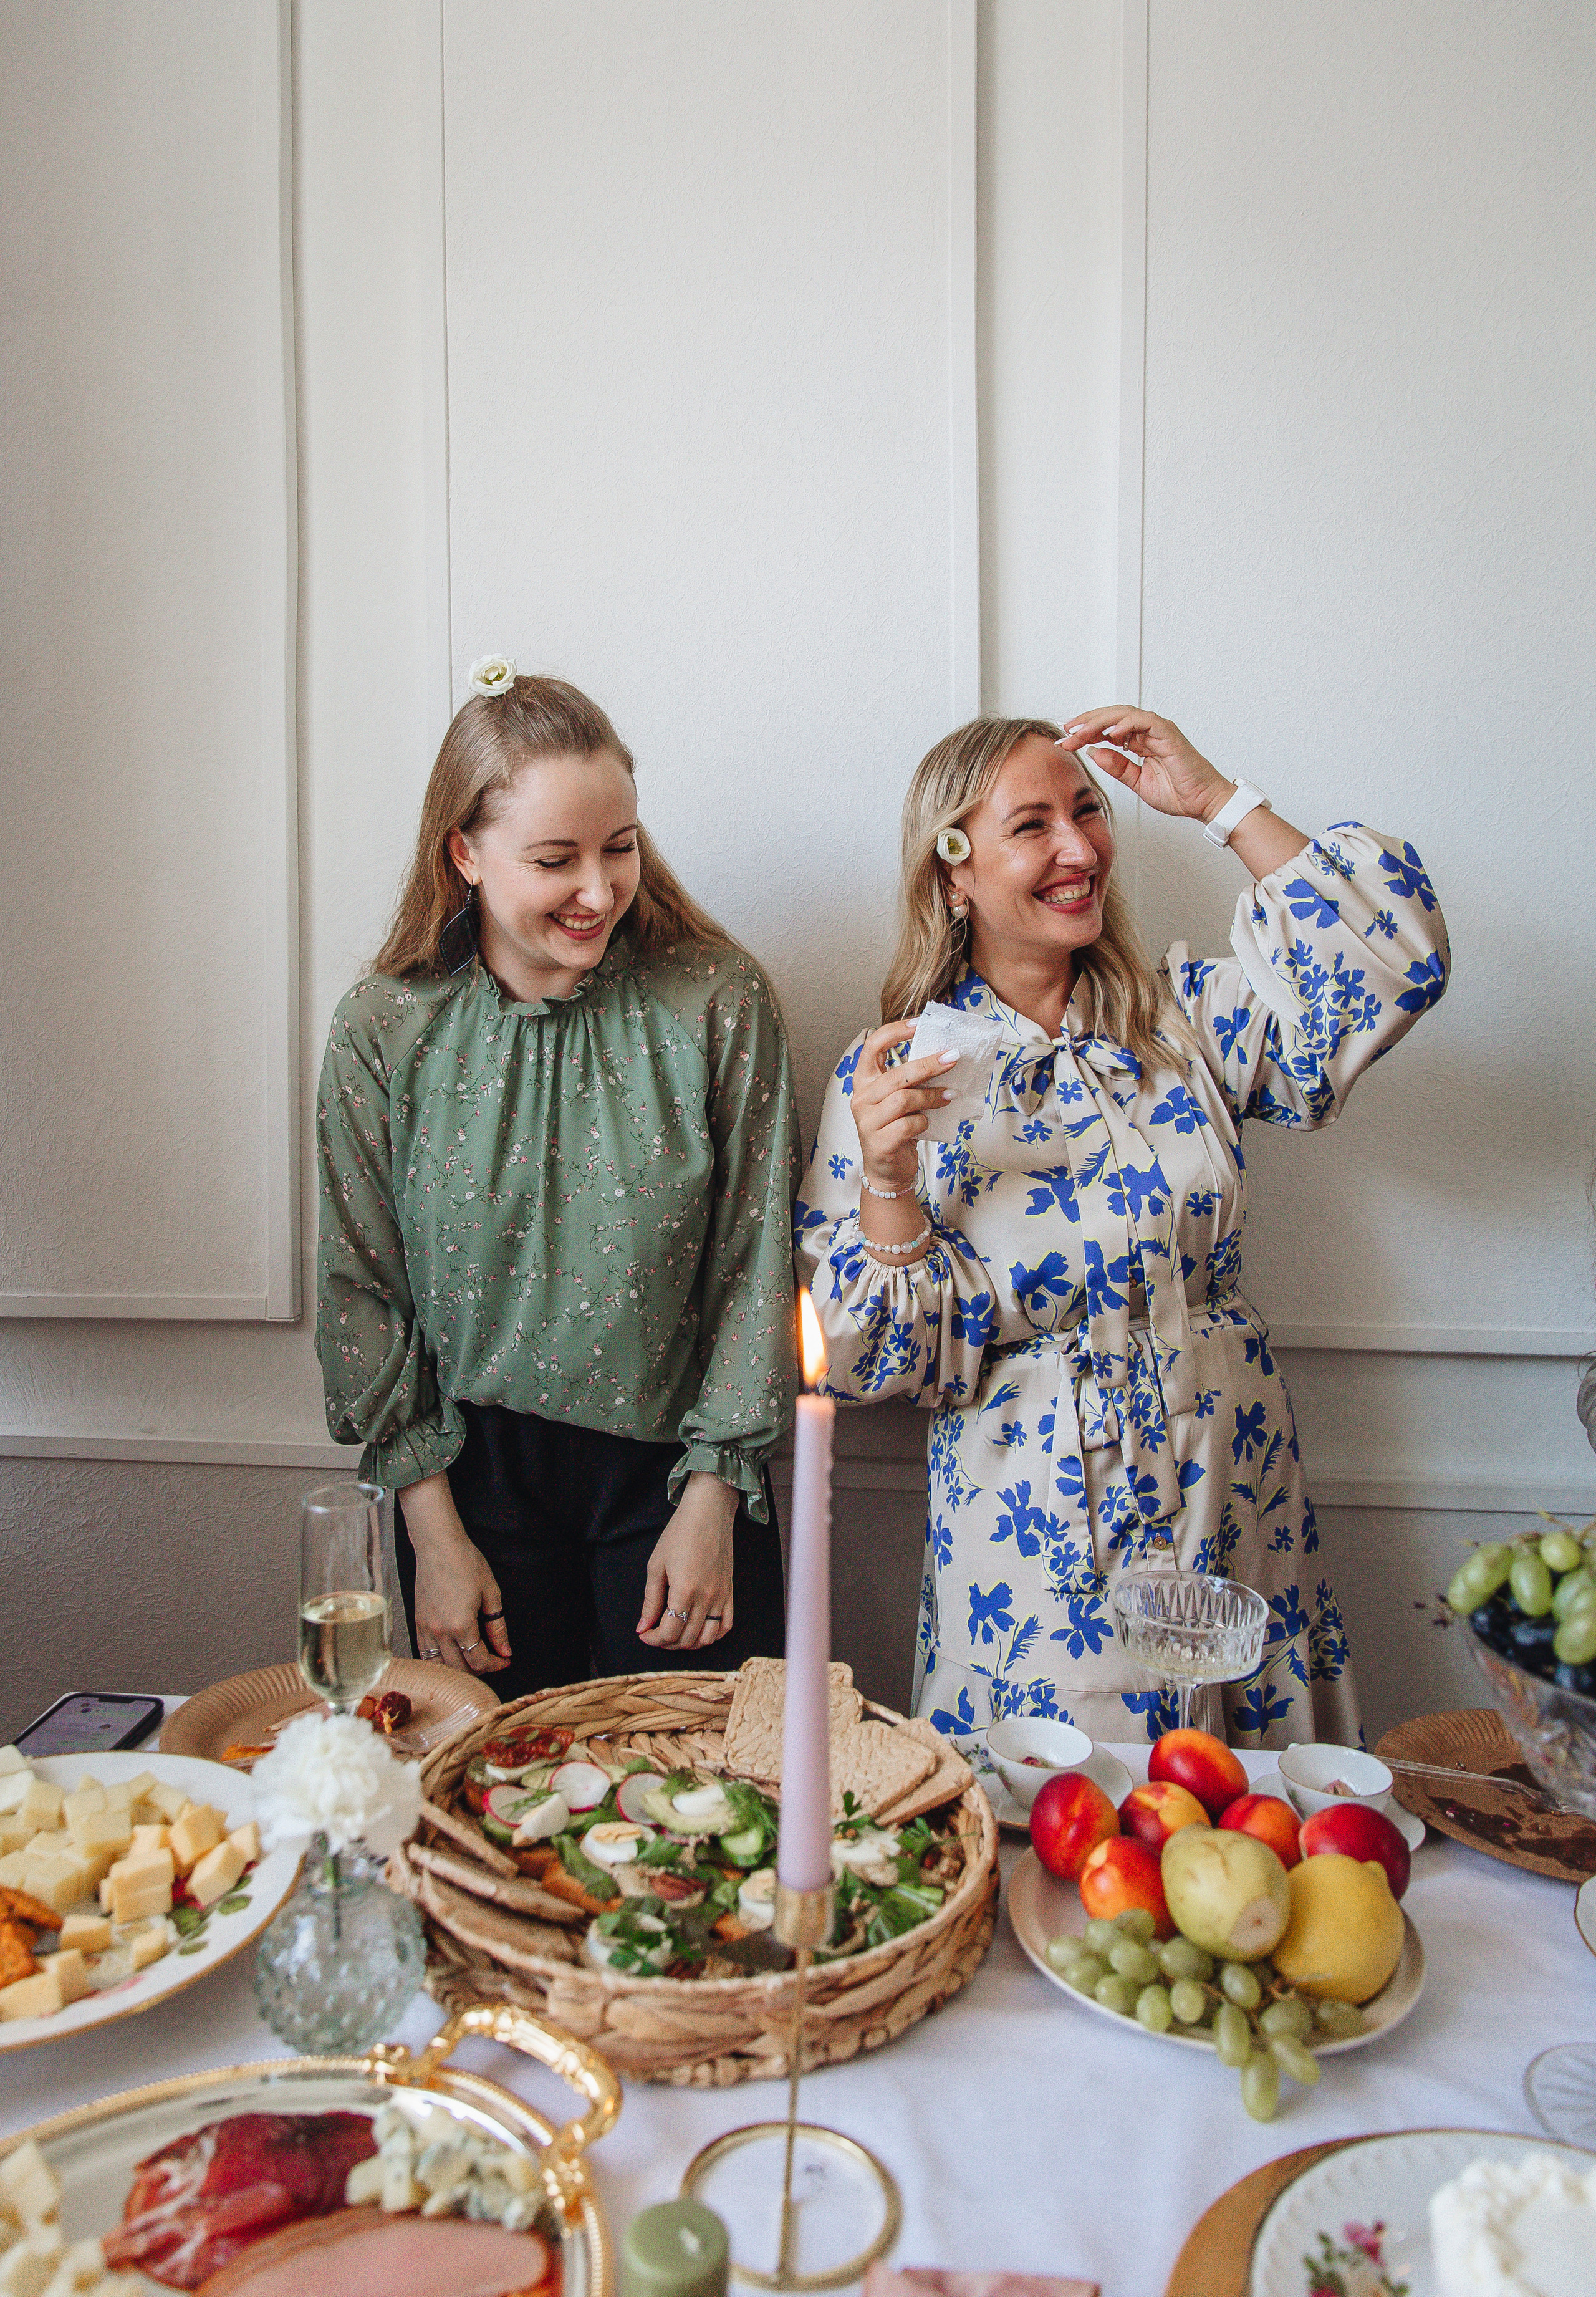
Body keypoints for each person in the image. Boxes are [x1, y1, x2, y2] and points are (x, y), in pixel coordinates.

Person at [795, 710, 1450, 1749]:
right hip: (1036, 1511)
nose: (1078, 848)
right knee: (1063, 1831)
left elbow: (1390, 967)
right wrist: (885, 1179)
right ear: (953, 873)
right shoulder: (893, 1075)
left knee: (1261, 1830)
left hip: (1233, 1471)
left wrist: (1216, 802)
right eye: (1034, 825)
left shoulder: (1185, 1018)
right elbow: (868, 1358)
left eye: (1088, 811)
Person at [317, 669, 799, 1695]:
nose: (599, 890)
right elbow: (365, 1289)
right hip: (468, 1493)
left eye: (619, 847)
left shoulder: (716, 999)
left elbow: (754, 1267)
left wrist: (716, 1495)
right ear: (466, 854)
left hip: (679, 1481)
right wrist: (432, 1534)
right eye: (555, 859)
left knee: (701, 1813)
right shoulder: (385, 1027)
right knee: (492, 1811)